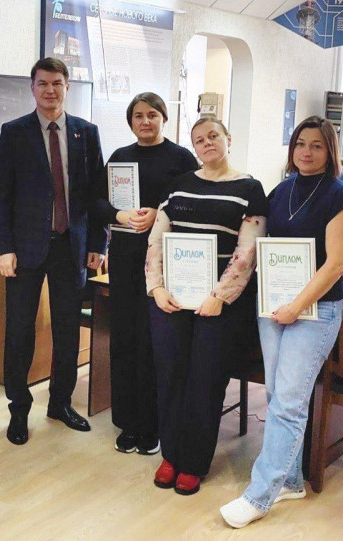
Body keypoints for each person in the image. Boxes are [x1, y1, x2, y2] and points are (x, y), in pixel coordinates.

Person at [220, 116, 343, 528]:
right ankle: (292, 480)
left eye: (316, 145)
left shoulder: (340, 197)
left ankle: (259, 495)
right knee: (278, 395)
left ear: (329, 151)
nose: (306, 152)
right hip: (275, 306)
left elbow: (335, 265)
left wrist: (296, 306)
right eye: (300, 143)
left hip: (315, 311)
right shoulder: (281, 191)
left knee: (289, 403)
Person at [145, 118, 268, 496]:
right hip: (172, 300)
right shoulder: (178, 185)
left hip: (219, 304)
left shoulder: (250, 189)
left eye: (213, 136)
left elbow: (247, 252)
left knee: (206, 380)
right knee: (170, 375)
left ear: (228, 138)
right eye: (199, 140)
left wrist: (219, 296)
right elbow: (156, 240)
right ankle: (171, 454)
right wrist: (156, 287)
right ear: (194, 147)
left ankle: (194, 462)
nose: (207, 143)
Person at [0, 57, 106, 445]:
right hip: (24, 249)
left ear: (67, 87)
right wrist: (3, 248)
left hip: (71, 247)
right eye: (43, 84)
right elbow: (0, 196)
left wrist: (98, 244)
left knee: (68, 331)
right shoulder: (14, 132)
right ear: (32, 88)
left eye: (57, 83)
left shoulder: (86, 133)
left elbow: (97, 194)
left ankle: (60, 403)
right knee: (19, 332)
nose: (50, 90)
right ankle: (19, 410)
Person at [94, 92, 198, 455]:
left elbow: (192, 202)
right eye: (138, 116)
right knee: (124, 338)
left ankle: (153, 424)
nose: (145, 121)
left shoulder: (181, 158)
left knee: (154, 341)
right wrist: (120, 215)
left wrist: (160, 213)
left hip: (165, 261)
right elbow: (98, 202)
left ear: (164, 119)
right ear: (131, 122)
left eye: (152, 114)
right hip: (124, 258)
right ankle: (128, 422)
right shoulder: (119, 157)